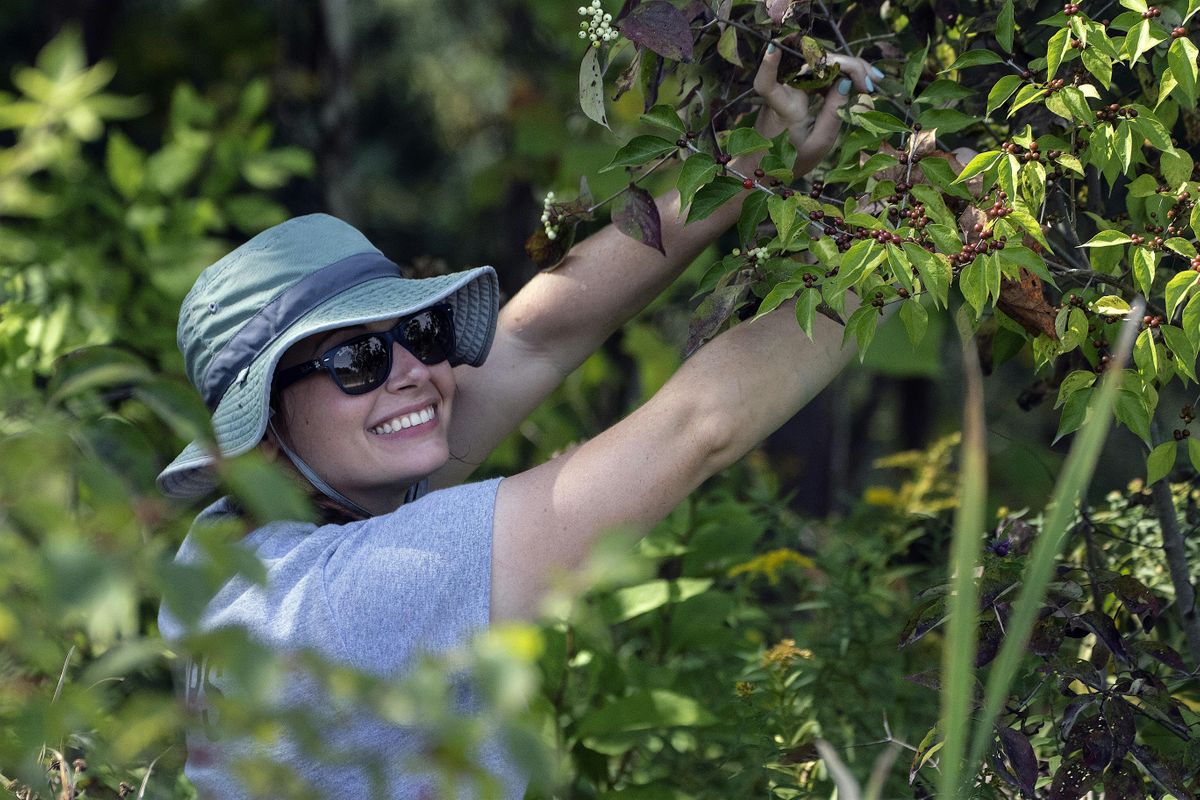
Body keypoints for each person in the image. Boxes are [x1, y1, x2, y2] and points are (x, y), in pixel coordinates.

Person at [157, 48, 880, 799]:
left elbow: (539, 336)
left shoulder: (227, 554)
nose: (416, 371)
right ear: (267, 427)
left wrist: (748, 167)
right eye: (360, 358)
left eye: (424, 333)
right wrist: (907, 239)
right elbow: (696, 427)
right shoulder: (358, 598)